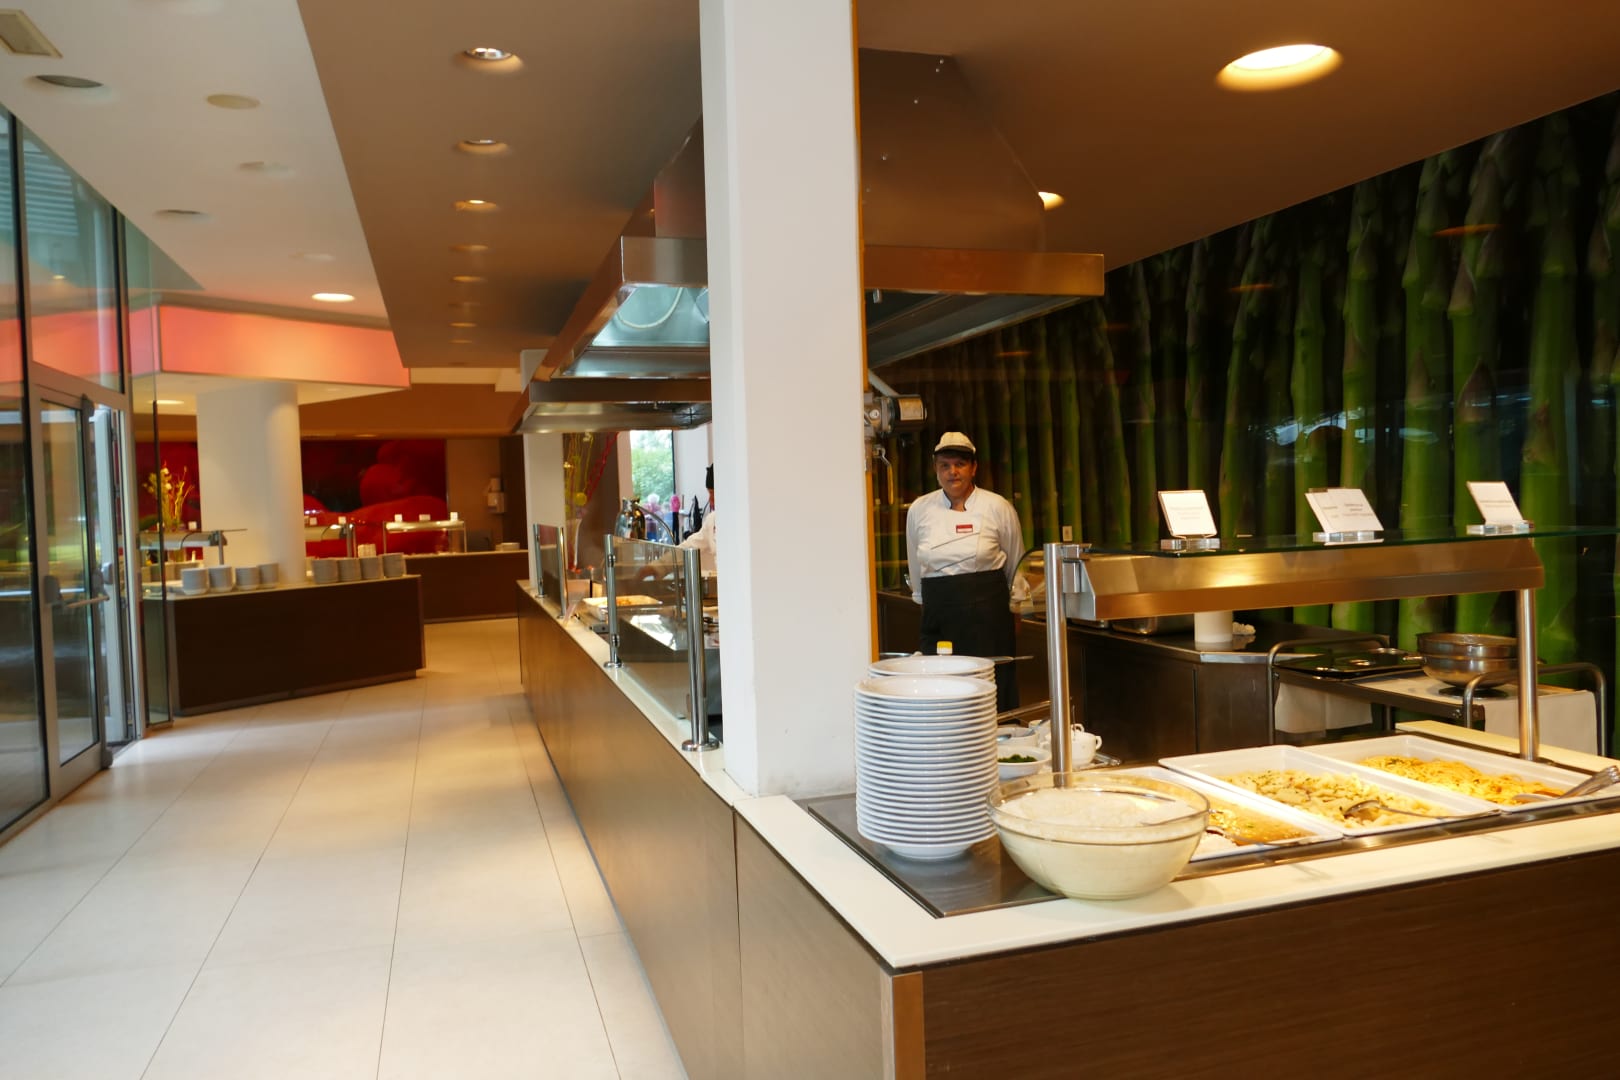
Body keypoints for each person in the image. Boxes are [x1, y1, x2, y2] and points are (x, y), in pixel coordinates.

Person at [905, 432, 1024, 710]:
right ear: (936, 469)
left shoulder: (998, 506)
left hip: (989, 617)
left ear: (974, 467)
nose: (952, 472)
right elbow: (915, 565)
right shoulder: (919, 509)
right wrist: (923, 602)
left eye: (960, 464)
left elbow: (1016, 564)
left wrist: (1016, 609)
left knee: (992, 695)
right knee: (942, 693)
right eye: (945, 465)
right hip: (939, 616)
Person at [680, 464, 717, 573]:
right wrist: (658, 565)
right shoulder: (712, 519)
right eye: (709, 493)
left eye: (713, 493)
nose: (711, 500)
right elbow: (692, 544)